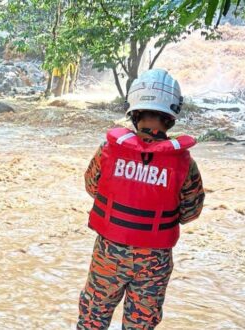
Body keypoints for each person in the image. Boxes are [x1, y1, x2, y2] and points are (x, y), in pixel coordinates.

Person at [77, 69, 205, 330]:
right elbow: (191, 213)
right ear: (171, 115)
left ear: (134, 111)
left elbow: (92, 187)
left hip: (108, 253)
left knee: (92, 319)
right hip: (154, 260)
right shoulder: (183, 162)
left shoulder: (109, 150)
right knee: (140, 325)